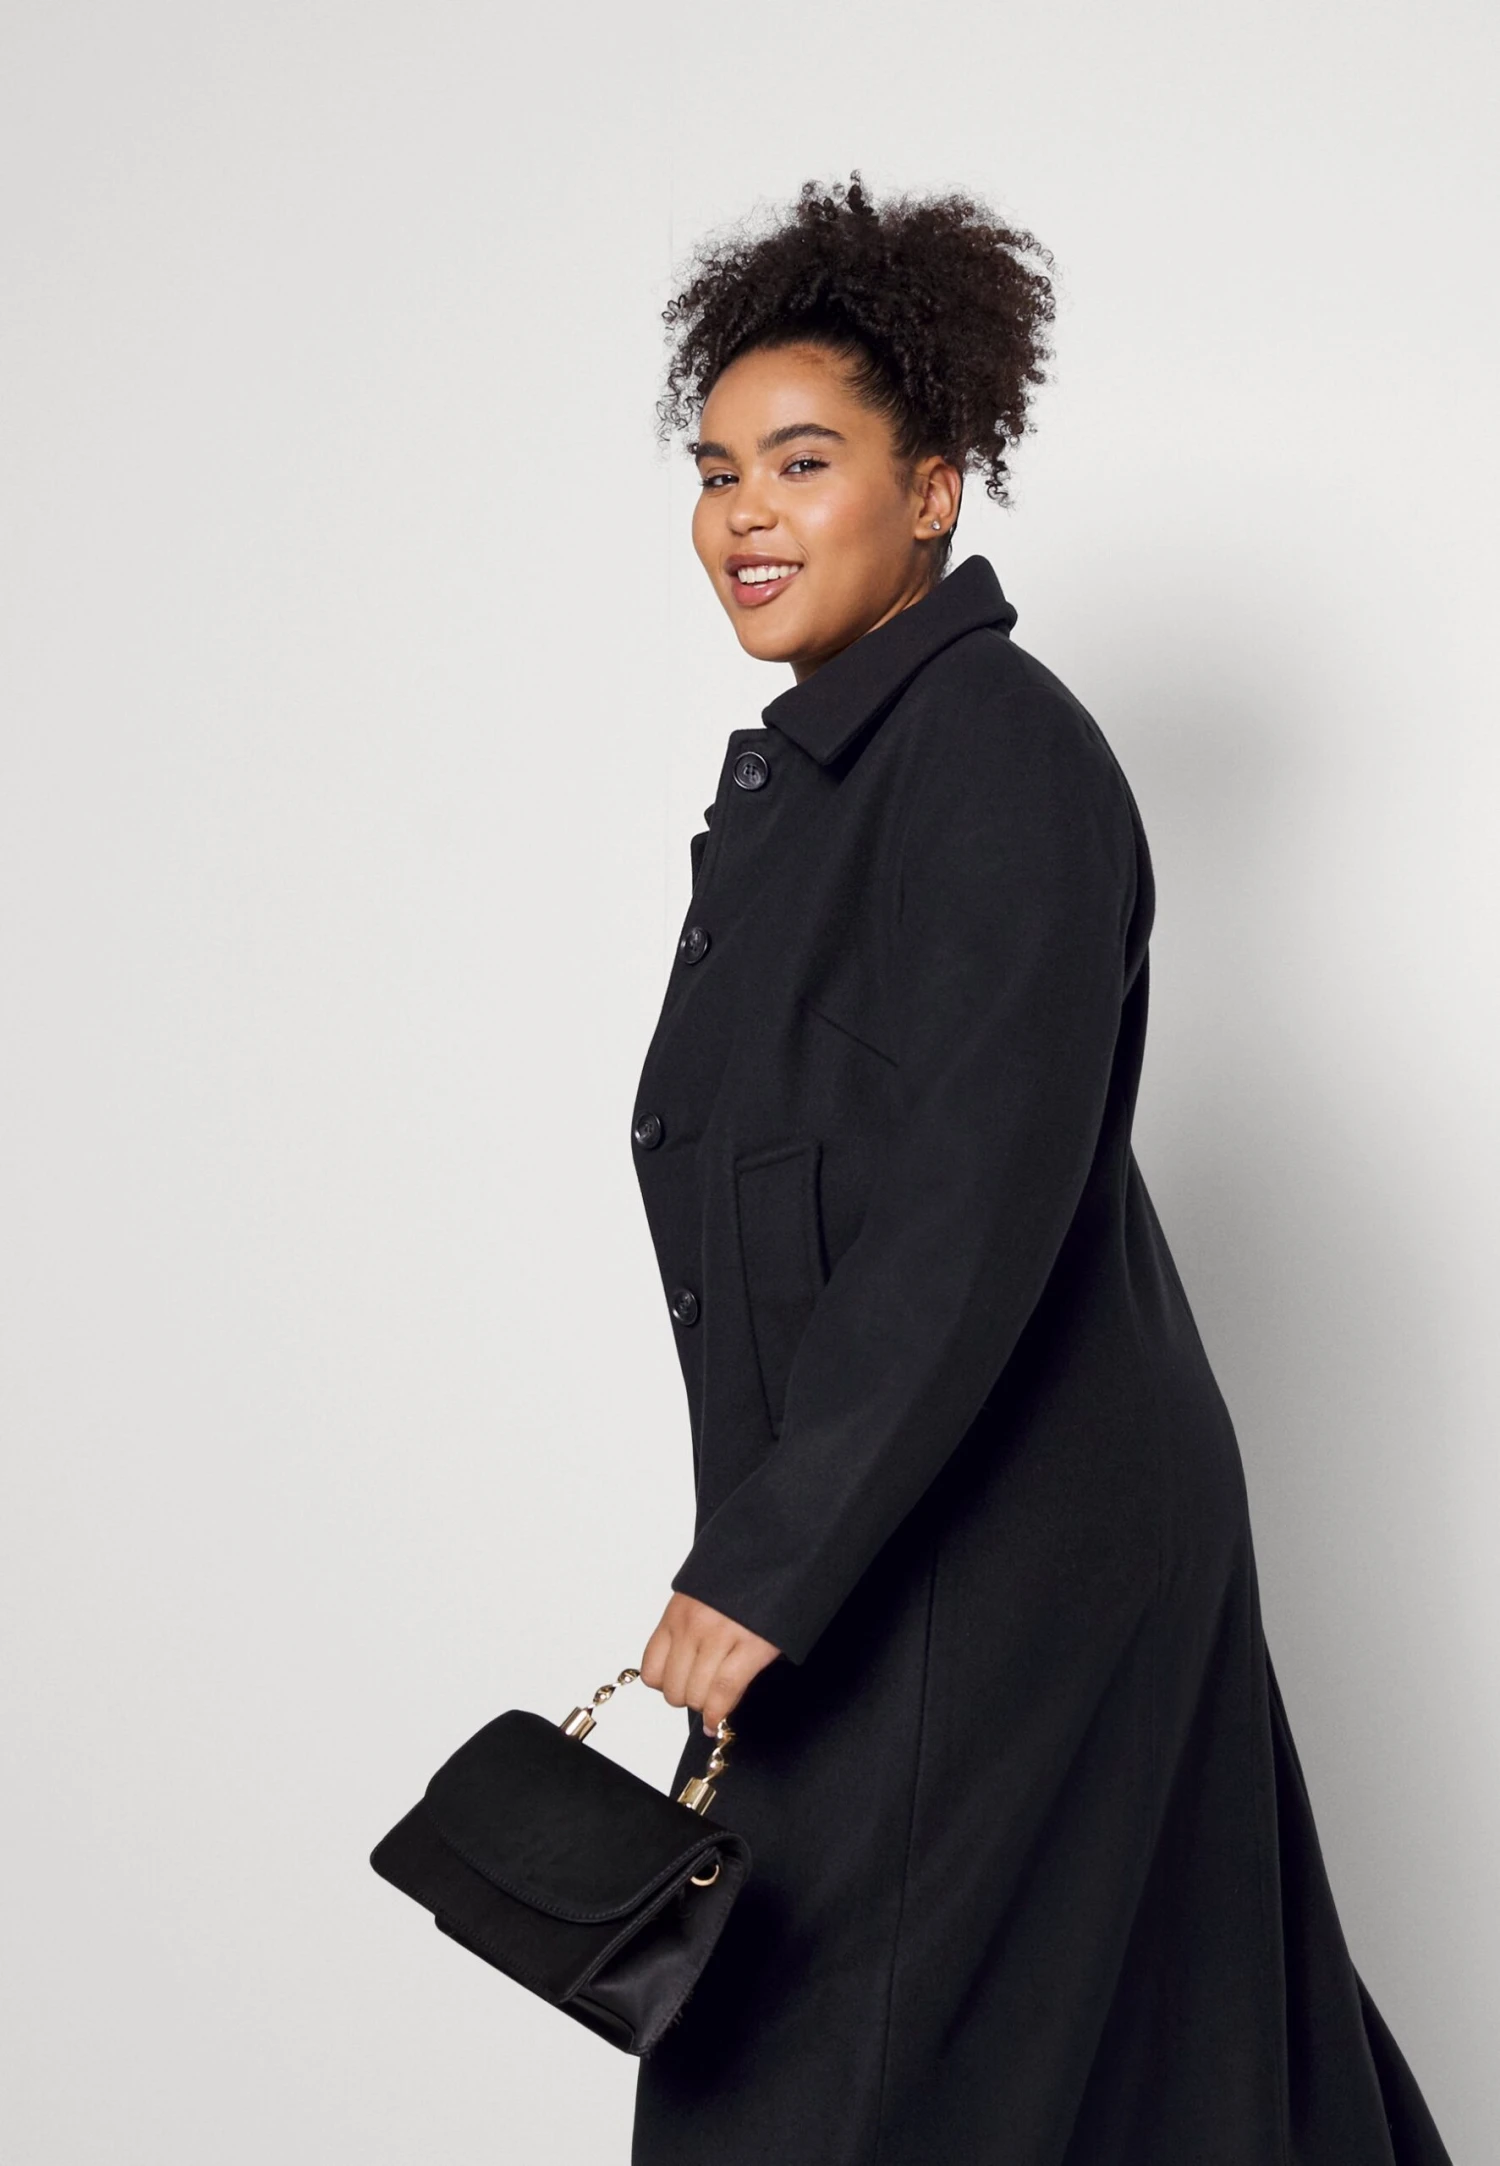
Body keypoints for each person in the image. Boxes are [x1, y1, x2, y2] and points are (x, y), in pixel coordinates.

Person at [628, 173, 1451, 2166]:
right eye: (720, 470)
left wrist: (765, 1563)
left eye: (803, 462)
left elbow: (970, 1199)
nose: (744, 514)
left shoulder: (993, 751)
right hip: (913, 1538)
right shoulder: (826, 779)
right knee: (1179, 2070)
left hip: (994, 1552)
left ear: (934, 487)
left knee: (827, 2071)